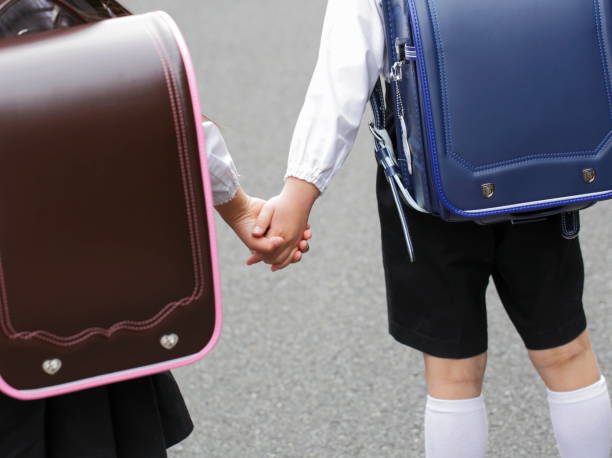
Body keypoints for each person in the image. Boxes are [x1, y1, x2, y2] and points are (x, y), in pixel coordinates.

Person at [248, 1, 612, 457]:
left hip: (430, 189)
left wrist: (298, 196)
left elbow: (339, 83)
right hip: (542, 175)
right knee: (567, 354)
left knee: (454, 374)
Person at [0, 1, 311, 457]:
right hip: (89, 310)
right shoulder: (60, 13)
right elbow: (165, 116)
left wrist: (243, 211)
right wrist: (241, 211)